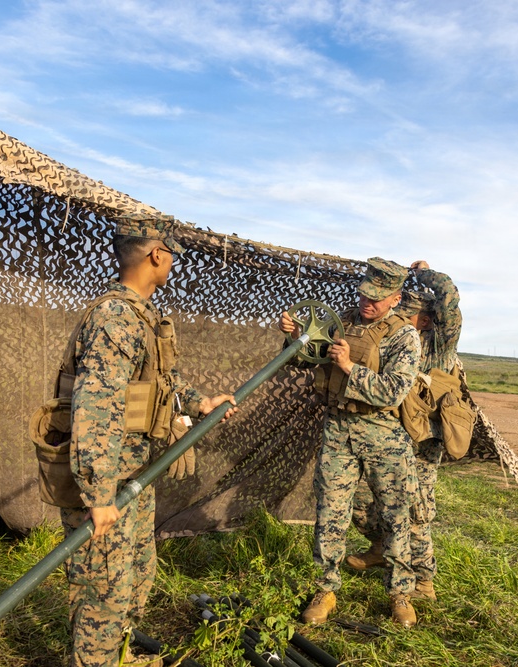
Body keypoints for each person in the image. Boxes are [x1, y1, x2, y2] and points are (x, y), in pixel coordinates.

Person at [63, 211, 237, 667]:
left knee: (137, 576)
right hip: (110, 477)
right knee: (104, 590)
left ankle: (117, 655)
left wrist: (199, 402)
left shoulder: (143, 315)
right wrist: (98, 494)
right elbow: (95, 408)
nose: (172, 263)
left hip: (135, 470)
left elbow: (158, 382)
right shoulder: (115, 318)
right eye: (171, 255)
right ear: (158, 254)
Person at [280, 257, 422, 628]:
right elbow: (300, 362)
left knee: (394, 516)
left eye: (377, 297)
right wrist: (295, 338)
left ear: (396, 298)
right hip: (338, 431)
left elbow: (394, 390)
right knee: (330, 513)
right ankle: (324, 590)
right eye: (364, 294)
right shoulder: (339, 322)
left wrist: (349, 368)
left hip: (384, 435)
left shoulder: (405, 336)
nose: (367, 303)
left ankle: (400, 594)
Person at [346, 259, 461, 602]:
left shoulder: (440, 343)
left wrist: (422, 272)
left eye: (405, 314)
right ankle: (381, 547)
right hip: (385, 431)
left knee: (415, 509)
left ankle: (423, 580)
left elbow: (449, 295)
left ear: (424, 320)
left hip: (423, 440)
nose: (394, 320)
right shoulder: (389, 337)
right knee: (361, 498)